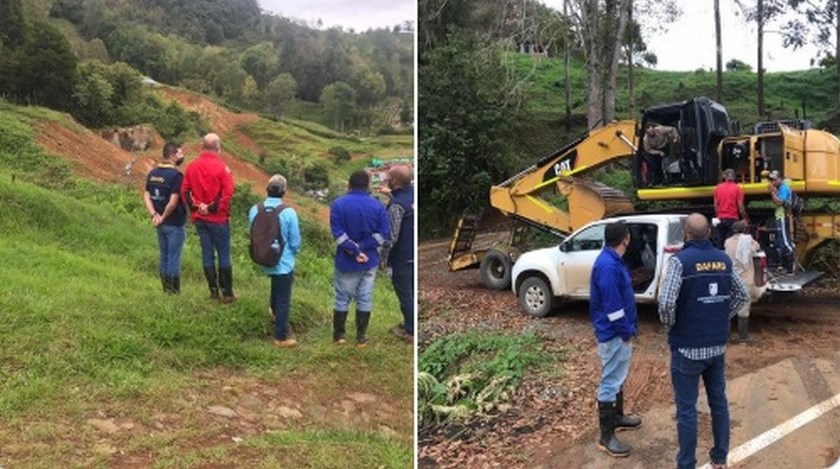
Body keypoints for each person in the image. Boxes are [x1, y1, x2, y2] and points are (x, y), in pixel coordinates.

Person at [658, 213, 750, 469]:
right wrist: (721, 315)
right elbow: (742, 295)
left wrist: (671, 325)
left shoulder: (679, 262)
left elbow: (666, 303)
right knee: (718, 402)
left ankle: (686, 463)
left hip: (686, 347)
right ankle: (720, 458)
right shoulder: (723, 260)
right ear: (709, 232)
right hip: (716, 345)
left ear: (685, 234)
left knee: (687, 409)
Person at [589, 221, 642, 458]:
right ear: (626, 239)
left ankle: (617, 417)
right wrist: (626, 331)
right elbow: (613, 308)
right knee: (610, 381)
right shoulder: (608, 266)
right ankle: (606, 436)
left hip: (618, 331)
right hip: (613, 333)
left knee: (617, 377)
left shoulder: (612, 261)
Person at [330, 170, 390, 348]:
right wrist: (364, 249)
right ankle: (361, 338)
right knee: (365, 297)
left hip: (347, 260)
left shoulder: (338, 204)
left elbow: (338, 235)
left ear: (349, 185)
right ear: (367, 186)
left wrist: (355, 250)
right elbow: (383, 234)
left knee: (342, 297)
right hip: (370, 260)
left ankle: (339, 336)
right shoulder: (378, 206)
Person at [182, 133, 236, 303]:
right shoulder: (222, 168)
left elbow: (185, 191)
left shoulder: (191, 167)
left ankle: (213, 292)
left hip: (200, 219)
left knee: (207, 255)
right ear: (218, 148)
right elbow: (227, 193)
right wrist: (212, 208)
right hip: (218, 219)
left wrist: (198, 207)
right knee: (224, 255)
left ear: (202, 146)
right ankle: (227, 294)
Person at [249, 175, 302, 349]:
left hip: (262, 257)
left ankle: (272, 310)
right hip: (283, 261)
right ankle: (281, 336)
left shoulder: (254, 209)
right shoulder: (288, 212)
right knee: (284, 298)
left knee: (276, 285)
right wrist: (291, 253)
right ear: (284, 192)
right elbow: (295, 242)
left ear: (267, 189)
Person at [143, 142, 186, 294]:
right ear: (172, 155)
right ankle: (174, 292)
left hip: (159, 223)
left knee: (164, 256)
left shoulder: (153, 173)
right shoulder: (176, 176)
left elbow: (147, 195)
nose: (183, 156)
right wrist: (164, 217)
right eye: (181, 154)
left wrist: (154, 215)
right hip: (174, 222)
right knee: (173, 258)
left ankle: (165, 290)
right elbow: (173, 202)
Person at [380, 165, 414, 344]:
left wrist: (383, 258)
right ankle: (411, 322)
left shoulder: (396, 206)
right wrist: (391, 194)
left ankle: (410, 330)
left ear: (394, 182)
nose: (386, 179)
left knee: (405, 294)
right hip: (413, 253)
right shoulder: (413, 194)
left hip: (402, 257)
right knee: (412, 292)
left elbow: (391, 236)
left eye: (388, 178)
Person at [724, 220, 766, 344]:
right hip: (745, 279)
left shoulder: (727, 242)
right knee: (744, 308)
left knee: (729, 307)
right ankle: (743, 338)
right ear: (745, 230)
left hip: (731, 278)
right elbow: (757, 247)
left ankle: (726, 338)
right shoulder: (749, 242)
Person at [768, 170, 795, 274]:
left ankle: (790, 266)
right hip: (780, 216)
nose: (773, 182)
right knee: (781, 242)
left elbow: (779, 202)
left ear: (780, 179)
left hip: (783, 216)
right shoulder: (780, 188)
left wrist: (773, 192)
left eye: (774, 179)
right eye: (771, 180)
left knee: (785, 242)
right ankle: (785, 266)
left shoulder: (783, 188)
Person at [714, 168, 748, 248]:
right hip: (732, 219)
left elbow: (716, 205)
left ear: (724, 177)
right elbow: (741, 207)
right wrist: (745, 218)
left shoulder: (718, 188)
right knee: (731, 244)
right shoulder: (737, 188)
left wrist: (718, 215)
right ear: (734, 177)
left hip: (721, 219)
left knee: (720, 243)